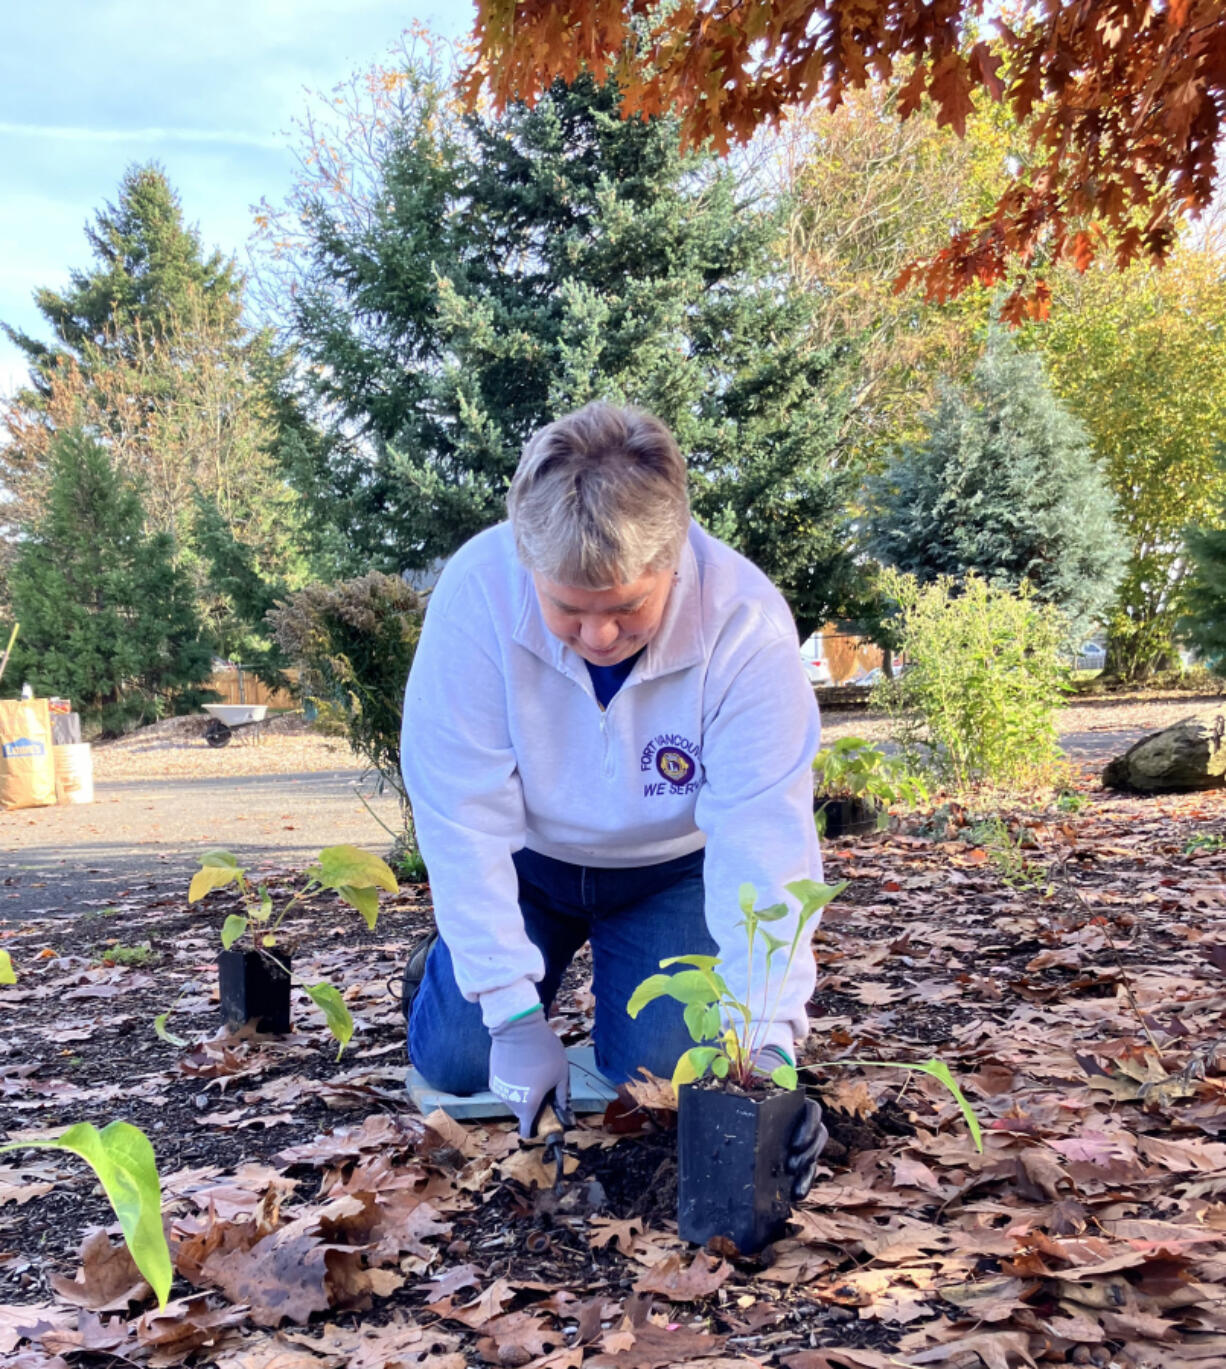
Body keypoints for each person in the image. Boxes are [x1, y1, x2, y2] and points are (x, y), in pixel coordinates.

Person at [400, 402, 827, 1190]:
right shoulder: (475, 598)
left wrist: (768, 1045)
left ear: (675, 558)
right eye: (570, 609)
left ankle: (615, 995)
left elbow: (763, 840)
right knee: (463, 1062)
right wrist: (511, 1011)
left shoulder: (746, 624)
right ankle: (454, 963)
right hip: (528, 863)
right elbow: (460, 812)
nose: (600, 636)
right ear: (528, 562)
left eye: (627, 607)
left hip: (667, 871)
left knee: (670, 1072)